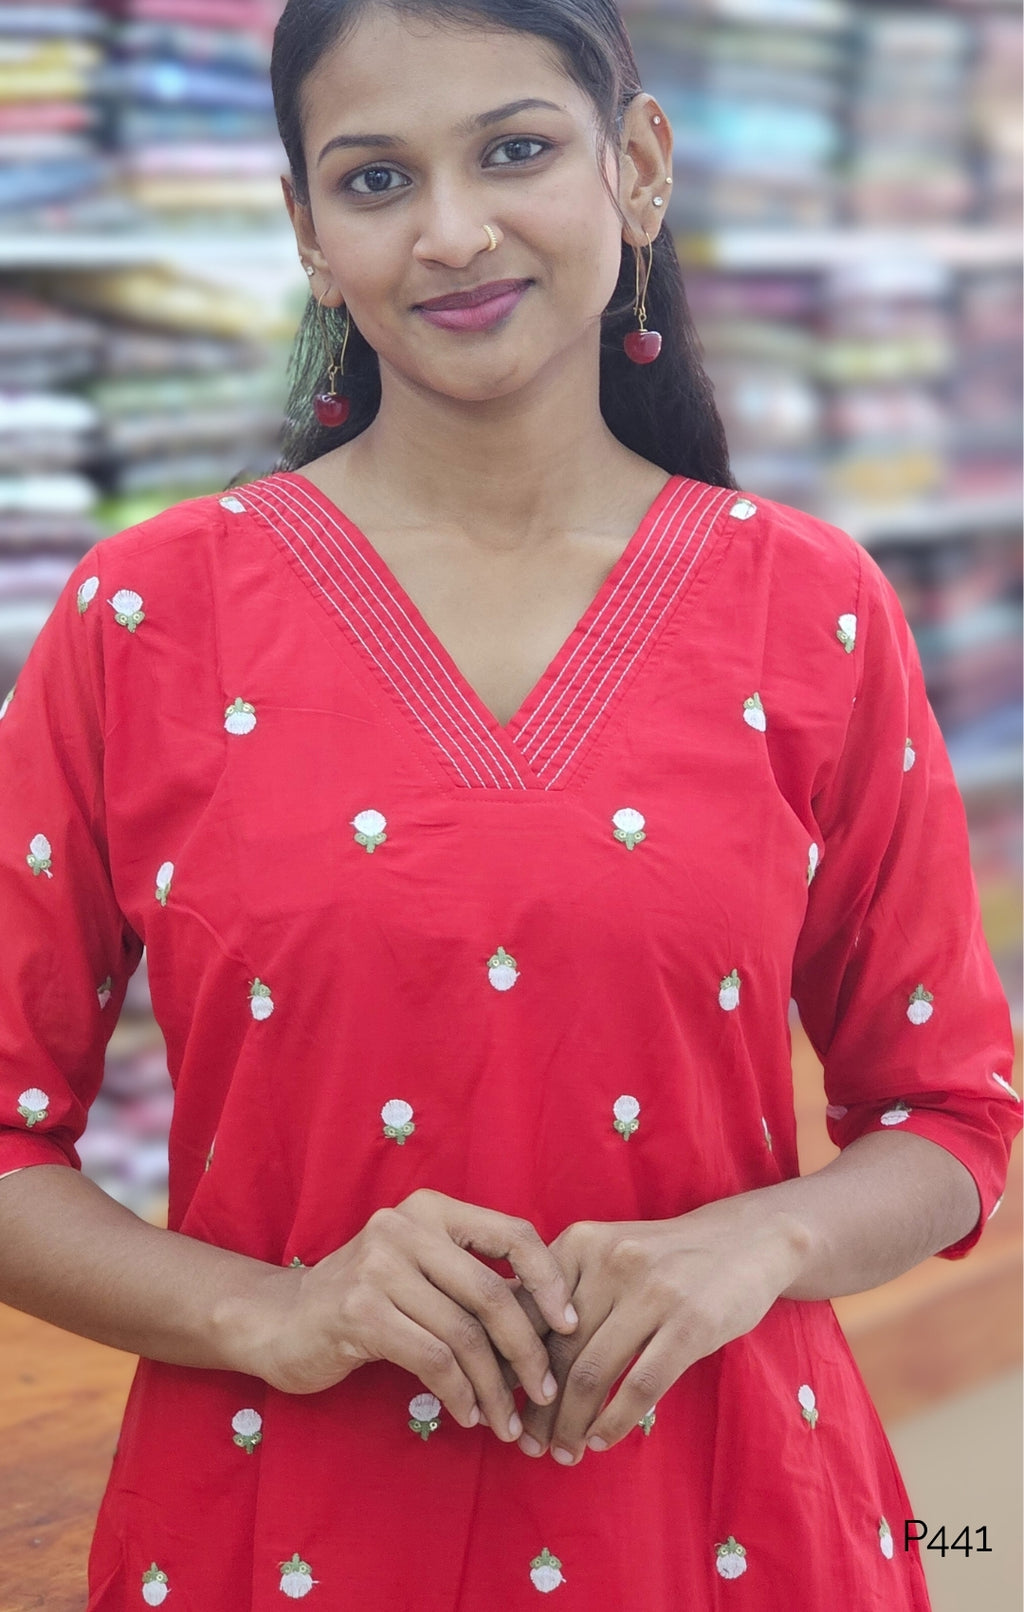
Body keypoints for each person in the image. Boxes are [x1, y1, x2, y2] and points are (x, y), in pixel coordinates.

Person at [0, 2, 1019, 1608]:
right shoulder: (143, 620)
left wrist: (757, 1245)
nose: (454, 232)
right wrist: (270, 1311)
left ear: (639, 166)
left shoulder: (810, 607)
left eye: (517, 151)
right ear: (309, 233)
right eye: (376, 179)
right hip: (280, 1529)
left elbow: (951, 1115)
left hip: (726, 1520)